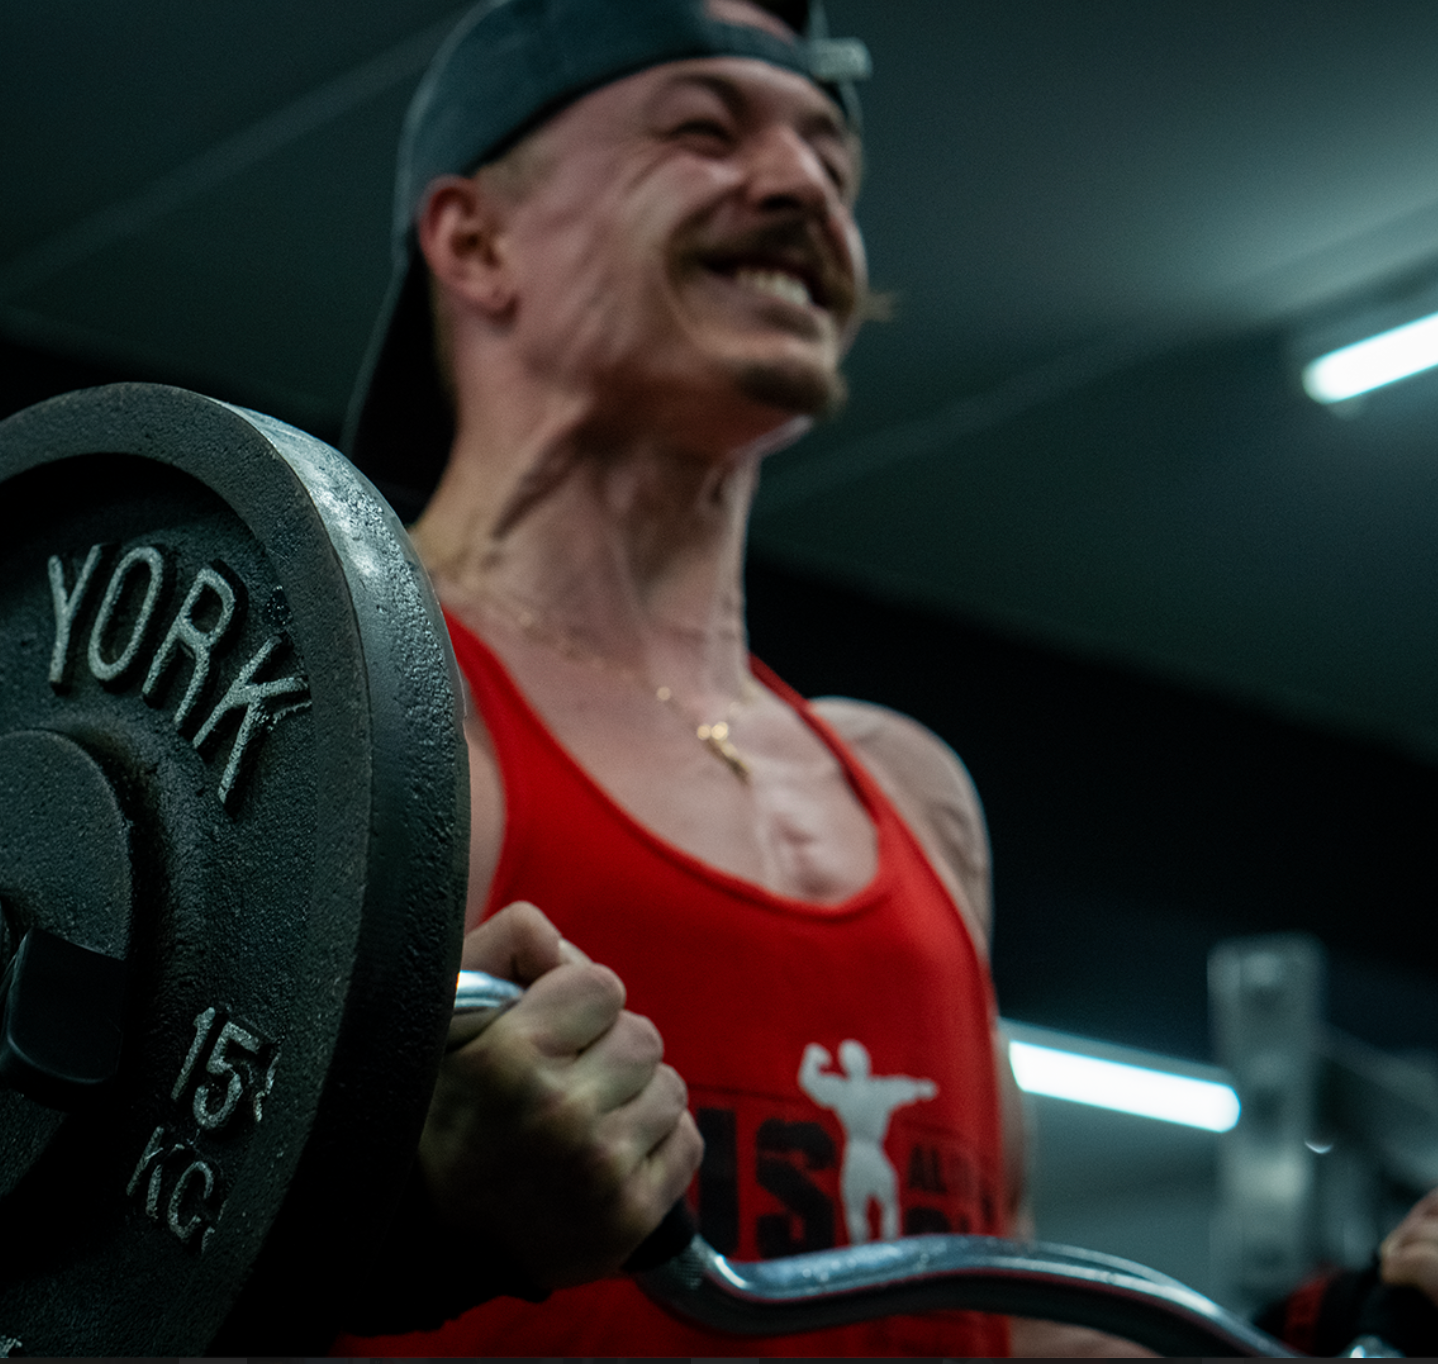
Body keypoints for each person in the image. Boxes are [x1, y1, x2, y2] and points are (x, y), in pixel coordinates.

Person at [328, 0, 1438, 1354]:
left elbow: (989, 1323)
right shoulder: (358, 699)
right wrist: (399, 1225)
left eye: (829, 157)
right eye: (702, 130)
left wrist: (1345, 1326)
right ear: (475, 241)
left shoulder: (913, 799)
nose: (802, 184)